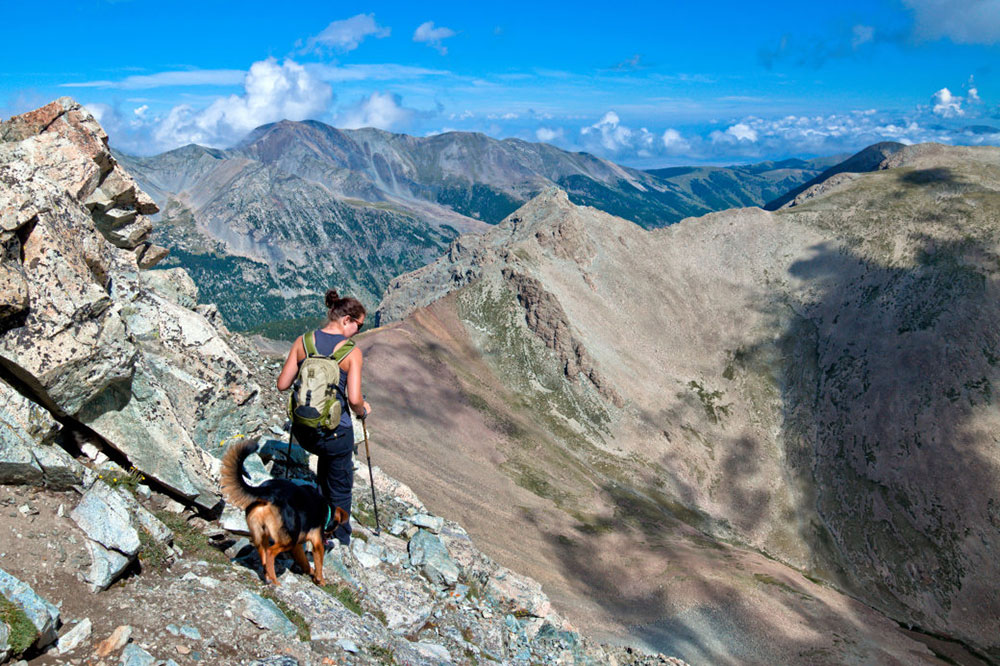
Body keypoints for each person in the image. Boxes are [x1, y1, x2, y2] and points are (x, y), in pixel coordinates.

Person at [276, 289, 371, 545]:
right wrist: (363, 410)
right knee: (339, 486)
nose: (358, 332)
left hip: (304, 432)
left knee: (323, 471)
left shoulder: (303, 342)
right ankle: (339, 538)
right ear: (346, 320)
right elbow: (354, 400)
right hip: (334, 434)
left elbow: (282, 384)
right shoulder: (351, 352)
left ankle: (315, 521)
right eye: (359, 325)